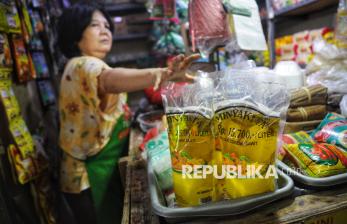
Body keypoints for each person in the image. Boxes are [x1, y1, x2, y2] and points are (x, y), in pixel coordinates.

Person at [56, 1, 199, 224]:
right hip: (87, 177)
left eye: (107, 25)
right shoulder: (82, 64)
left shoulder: (90, 64)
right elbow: (110, 80)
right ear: (75, 34)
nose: (105, 30)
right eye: (95, 25)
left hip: (102, 164)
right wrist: (162, 73)